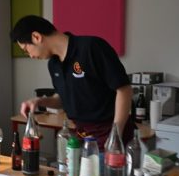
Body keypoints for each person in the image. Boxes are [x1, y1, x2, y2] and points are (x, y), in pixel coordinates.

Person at [10, 15, 134, 148]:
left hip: (110, 131)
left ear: (36, 37)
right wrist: (39, 101)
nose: (30, 56)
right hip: (81, 134)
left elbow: (124, 89)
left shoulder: (92, 47)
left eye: (26, 50)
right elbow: (63, 99)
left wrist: (116, 135)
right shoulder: (53, 64)